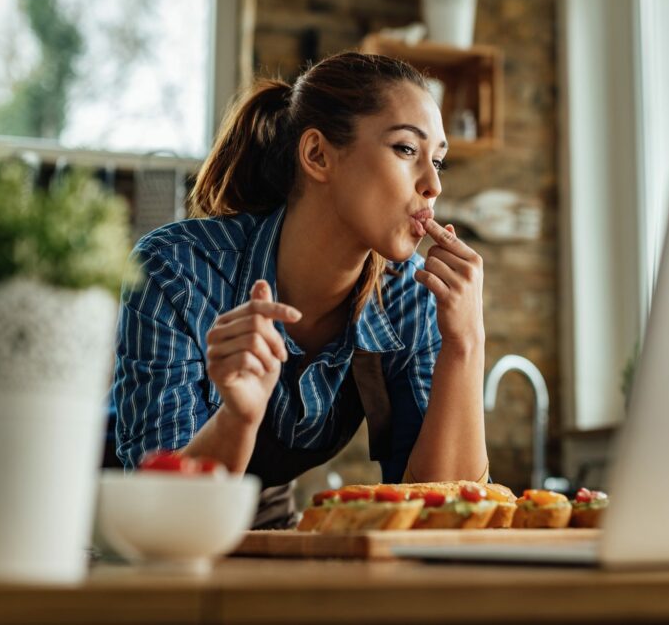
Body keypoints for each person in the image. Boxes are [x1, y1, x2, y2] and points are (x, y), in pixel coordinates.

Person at [108, 51, 488, 528]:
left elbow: (444, 514)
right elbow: (161, 513)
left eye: (439, 162)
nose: (433, 185)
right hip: (129, 526)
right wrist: (237, 418)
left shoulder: (410, 296)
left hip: (265, 521)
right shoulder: (177, 270)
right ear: (317, 156)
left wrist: (466, 343)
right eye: (406, 149)